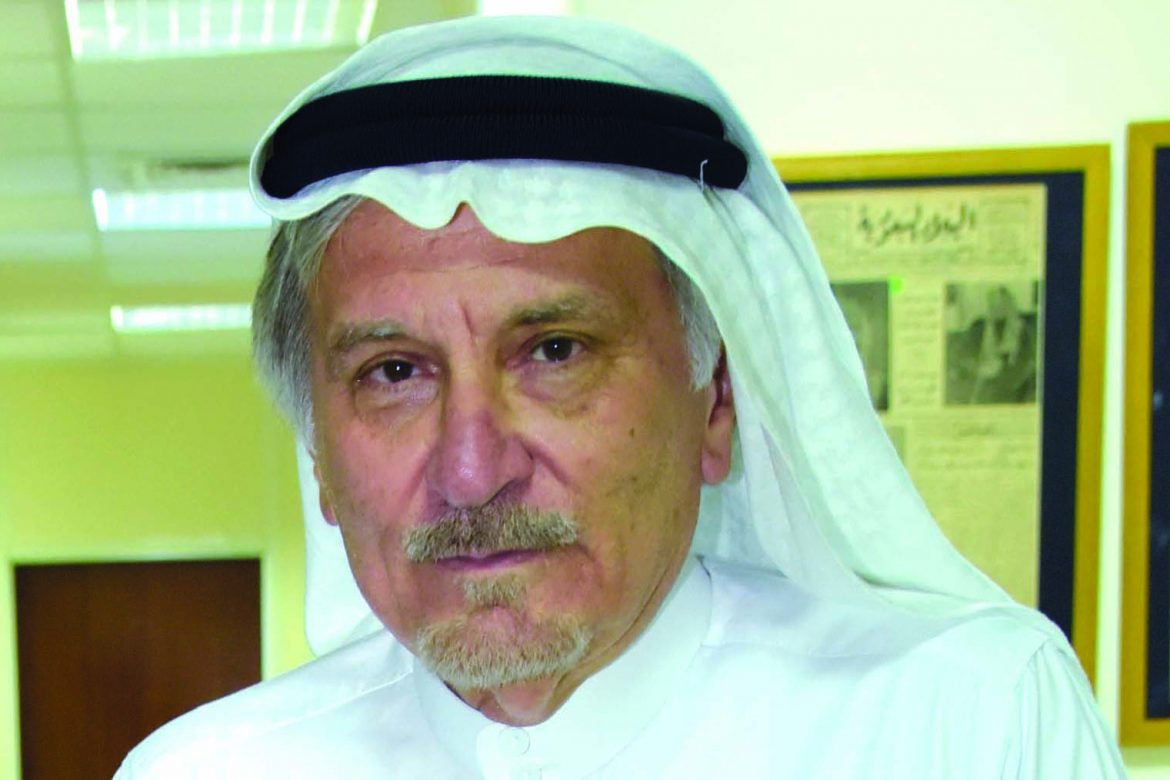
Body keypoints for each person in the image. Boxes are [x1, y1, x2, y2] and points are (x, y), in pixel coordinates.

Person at [117, 16, 1125, 778]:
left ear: (716, 402)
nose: (472, 471)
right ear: (320, 457)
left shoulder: (968, 723)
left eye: (554, 352)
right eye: (394, 373)